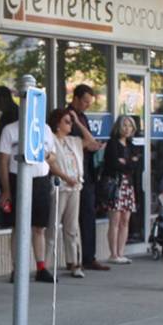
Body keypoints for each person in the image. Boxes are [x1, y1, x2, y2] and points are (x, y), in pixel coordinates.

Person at [0, 114, 57, 283]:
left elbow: (53, 156)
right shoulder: (10, 130)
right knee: (19, 226)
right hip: (18, 179)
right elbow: (3, 161)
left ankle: (41, 268)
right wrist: (6, 190)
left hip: (41, 179)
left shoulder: (45, 129)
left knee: (39, 227)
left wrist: (45, 156)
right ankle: (17, 269)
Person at [67, 85, 109, 272]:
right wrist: (87, 145)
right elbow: (67, 143)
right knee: (71, 218)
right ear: (75, 98)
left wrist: (93, 146)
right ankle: (74, 259)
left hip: (87, 172)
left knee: (88, 215)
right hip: (73, 173)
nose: (86, 106)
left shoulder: (81, 117)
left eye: (89, 103)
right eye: (84, 102)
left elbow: (89, 140)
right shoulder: (67, 117)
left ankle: (88, 257)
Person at [46, 108, 84, 278]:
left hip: (74, 187)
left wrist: (78, 122)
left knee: (72, 227)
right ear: (57, 124)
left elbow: (92, 143)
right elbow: (51, 163)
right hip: (59, 186)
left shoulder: (73, 141)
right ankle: (46, 265)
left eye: (70, 122)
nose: (70, 125)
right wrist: (65, 177)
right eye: (67, 122)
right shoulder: (51, 140)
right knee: (53, 225)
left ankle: (74, 262)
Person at [102, 115, 141, 264]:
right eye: (124, 125)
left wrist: (127, 162)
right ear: (119, 127)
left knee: (125, 220)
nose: (127, 129)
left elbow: (135, 165)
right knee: (115, 220)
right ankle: (113, 254)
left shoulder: (132, 146)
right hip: (116, 184)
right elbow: (113, 164)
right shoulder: (112, 144)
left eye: (130, 126)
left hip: (128, 185)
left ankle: (121, 252)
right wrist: (128, 163)